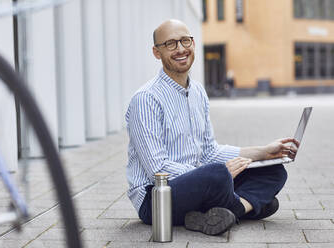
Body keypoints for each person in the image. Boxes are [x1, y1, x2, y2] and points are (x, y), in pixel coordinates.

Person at [125, 19, 298, 235]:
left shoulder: (198, 92)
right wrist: (215, 174)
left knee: (273, 170)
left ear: (193, 44)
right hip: (157, 198)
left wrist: (262, 152)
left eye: (185, 41)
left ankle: (223, 211)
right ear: (156, 52)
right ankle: (243, 206)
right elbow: (157, 169)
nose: (180, 49)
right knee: (219, 176)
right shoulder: (146, 99)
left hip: (201, 184)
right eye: (170, 44)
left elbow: (209, 152)